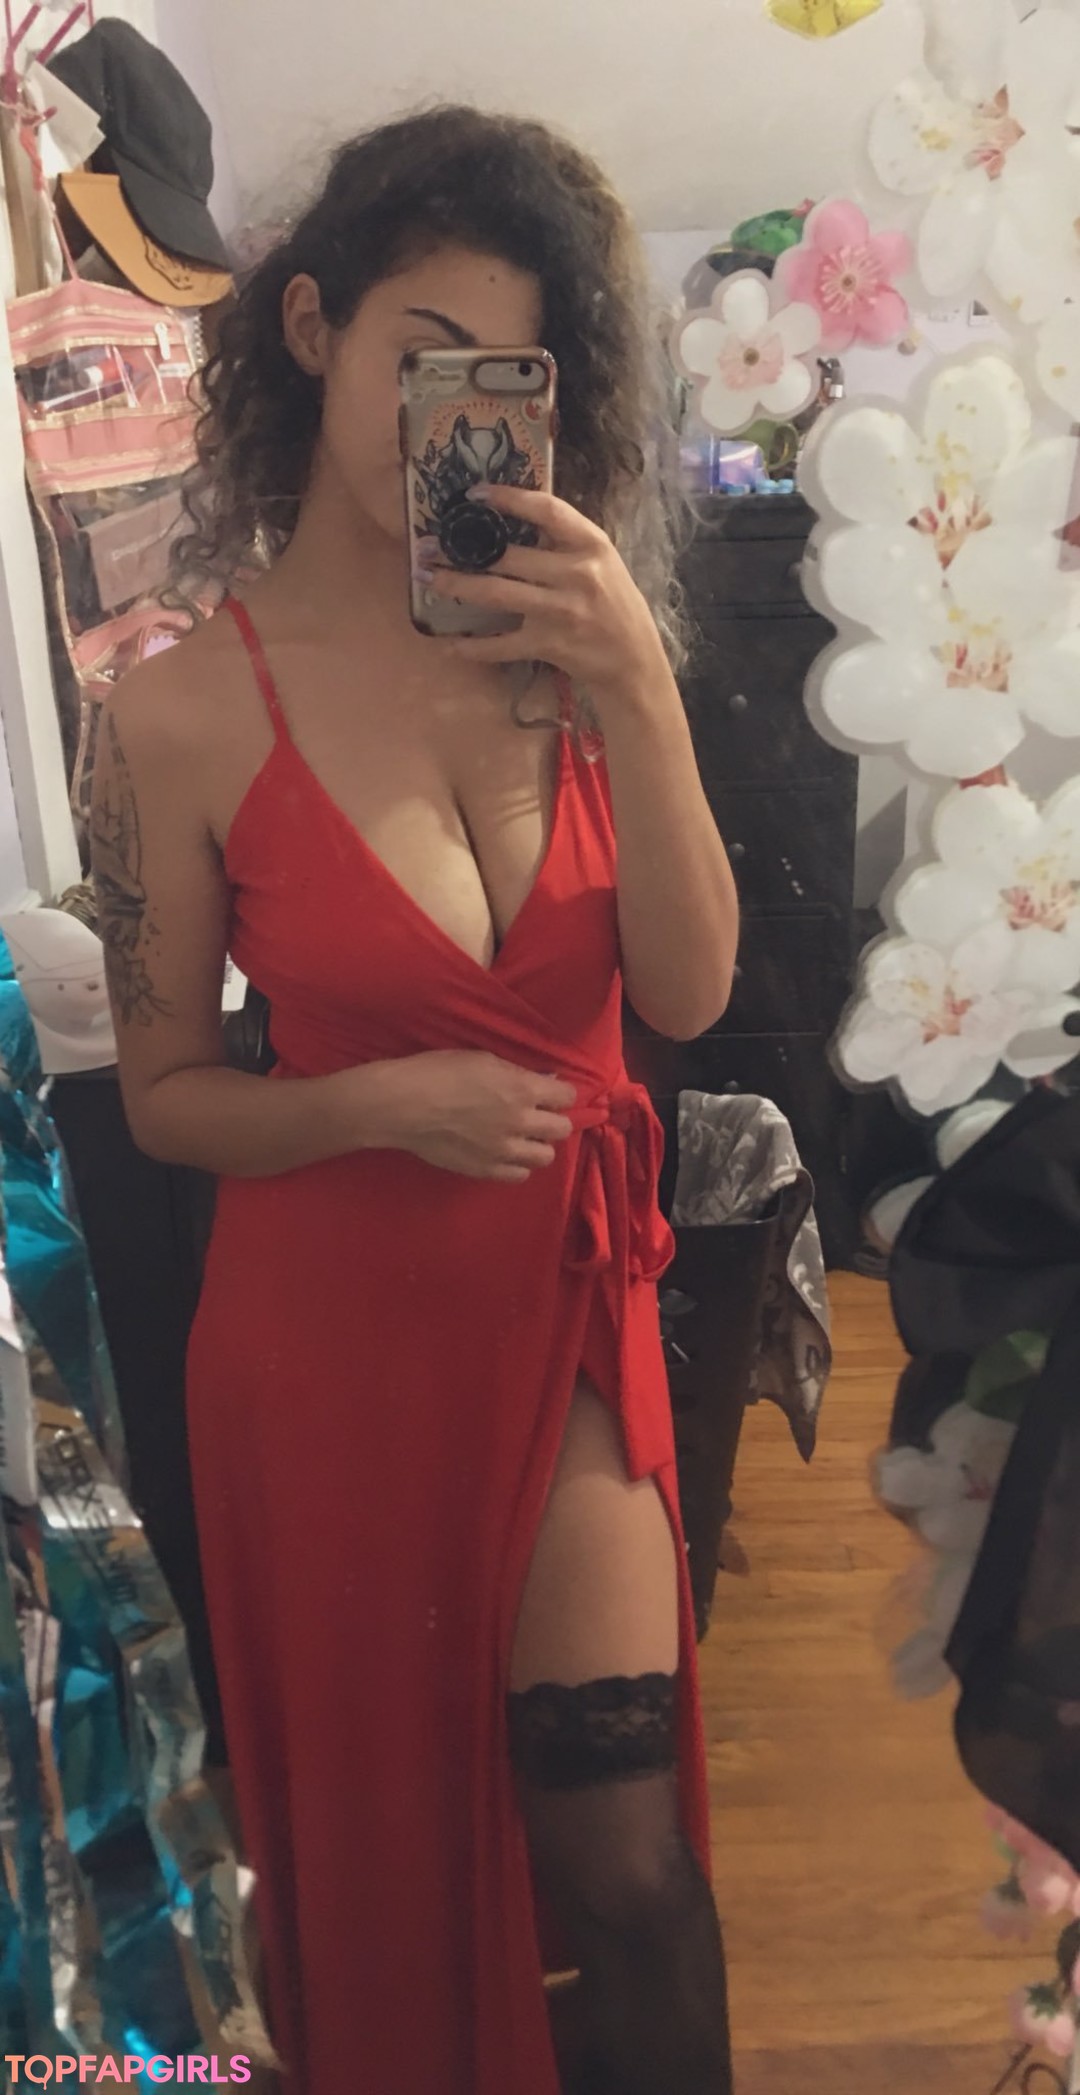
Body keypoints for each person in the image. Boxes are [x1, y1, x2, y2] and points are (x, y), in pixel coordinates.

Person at [89, 105, 739, 2095]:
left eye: (503, 371)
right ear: (312, 329)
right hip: (326, 1347)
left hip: (563, 1311)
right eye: (417, 349)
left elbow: (687, 992)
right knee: (382, 1876)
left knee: (629, 1865)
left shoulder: (570, 652)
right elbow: (168, 1098)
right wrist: (384, 1105)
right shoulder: (177, 709)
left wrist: (637, 682)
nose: (442, 414)